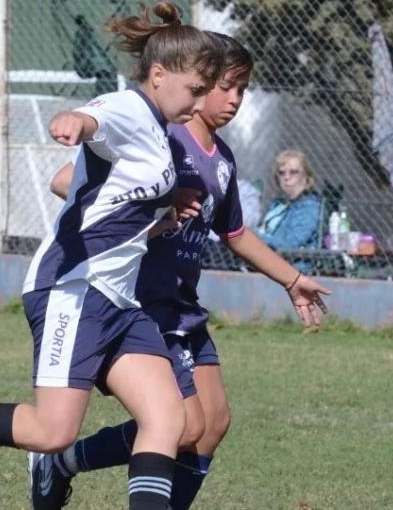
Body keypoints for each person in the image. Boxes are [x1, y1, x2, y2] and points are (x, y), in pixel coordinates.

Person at [0, 1, 226, 510]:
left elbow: (112, 202)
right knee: (51, 431)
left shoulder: (161, 132)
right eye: (196, 89)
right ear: (159, 74)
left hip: (118, 301)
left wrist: (167, 209)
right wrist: (72, 121)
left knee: (171, 421)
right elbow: (91, 118)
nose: (203, 100)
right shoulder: (127, 110)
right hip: (72, 291)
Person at [33, 33, 331, 510]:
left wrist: (291, 280)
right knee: (183, 426)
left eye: (242, 90)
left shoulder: (224, 162)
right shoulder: (164, 136)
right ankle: (62, 460)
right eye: (225, 87)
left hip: (183, 306)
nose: (233, 99)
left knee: (213, 424)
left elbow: (234, 233)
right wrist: (158, 203)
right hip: (141, 303)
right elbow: (67, 181)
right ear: (202, 81)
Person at [255, 150, 323, 251]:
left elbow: (289, 245)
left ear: (306, 177)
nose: (286, 177)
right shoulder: (278, 204)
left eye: (293, 172)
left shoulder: (310, 207)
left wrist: (252, 236)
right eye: (281, 173)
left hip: (290, 264)